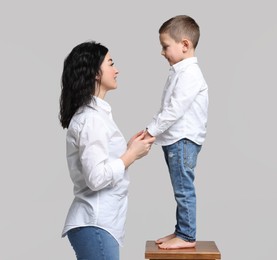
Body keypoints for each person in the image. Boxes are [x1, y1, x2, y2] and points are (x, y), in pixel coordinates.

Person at [59, 41, 155, 260]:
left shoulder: (96, 116)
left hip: (99, 225)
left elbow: (103, 163)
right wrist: (131, 155)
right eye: (111, 63)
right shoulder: (92, 119)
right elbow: (96, 178)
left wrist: (130, 149)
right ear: (95, 73)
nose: (116, 69)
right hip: (95, 224)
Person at [144, 15, 209, 249]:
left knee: (183, 189)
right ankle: (182, 229)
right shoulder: (180, 71)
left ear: (184, 45)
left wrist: (151, 131)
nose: (162, 52)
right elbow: (168, 108)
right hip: (175, 139)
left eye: (165, 46)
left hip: (183, 140)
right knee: (179, 188)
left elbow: (174, 110)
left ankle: (187, 236)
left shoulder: (190, 74)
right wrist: (152, 131)